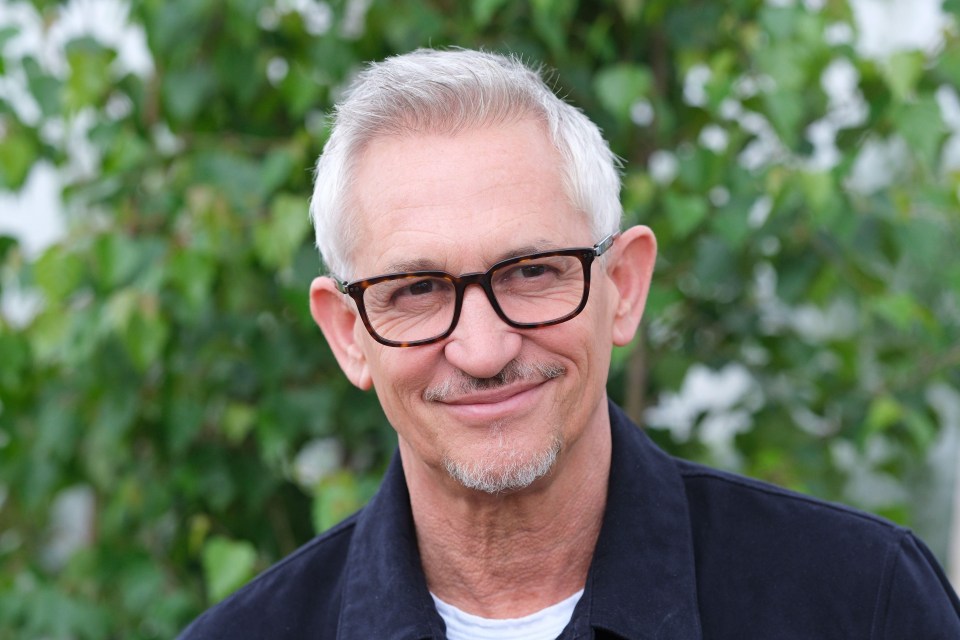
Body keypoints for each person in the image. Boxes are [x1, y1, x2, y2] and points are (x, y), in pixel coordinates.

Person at [179, 48, 960, 639]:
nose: (482, 350)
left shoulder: (861, 603)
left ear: (623, 287)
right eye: (416, 290)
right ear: (348, 334)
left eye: (530, 272)